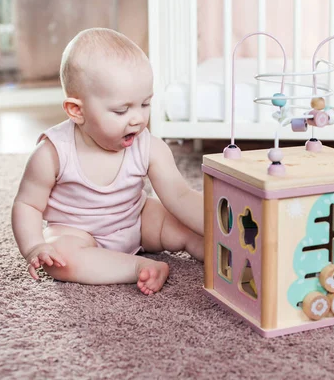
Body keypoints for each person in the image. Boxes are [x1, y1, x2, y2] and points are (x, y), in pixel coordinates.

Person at [11, 28, 204, 295]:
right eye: (122, 110)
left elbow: (180, 196)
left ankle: (220, 251)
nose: (137, 119)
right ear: (77, 110)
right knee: (58, 259)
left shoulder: (149, 146)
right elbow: (27, 204)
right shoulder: (52, 152)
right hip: (77, 233)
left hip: (135, 220)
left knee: (179, 222)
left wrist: (217, 226)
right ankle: (137, 266)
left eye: (145, 104)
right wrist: (33, 246)